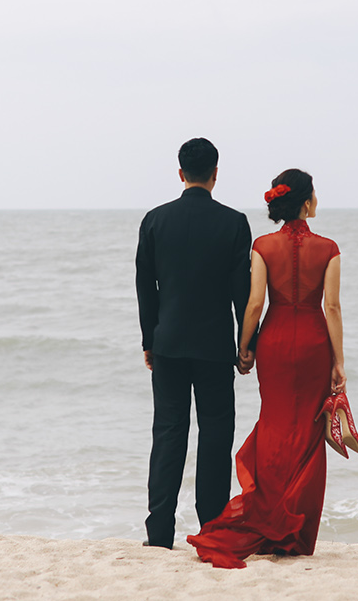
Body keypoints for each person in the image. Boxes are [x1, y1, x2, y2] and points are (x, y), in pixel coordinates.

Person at [186, 168, 346, 569]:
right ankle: (294, 531)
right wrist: (339, 361)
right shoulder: (328, 248)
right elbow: (332, 307)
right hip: (313, 344)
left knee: (274, 425)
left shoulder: (262, 245)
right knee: (308, 431)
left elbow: (255, 304)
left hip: (274, 342)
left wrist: (245, 348)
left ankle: (269, 513)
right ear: (307, 202)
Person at [136, 138, 253, 550]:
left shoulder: (154, 220)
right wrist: (246, 344)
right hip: (215, 346)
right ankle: (212, 530)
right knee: (216, 435)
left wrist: (148, 338)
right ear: (216, 173)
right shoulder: (234, 222)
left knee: (168, 433)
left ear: (180, 172)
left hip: (167, 343)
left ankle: (160, 534)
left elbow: (145, 287)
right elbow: (244, 290)